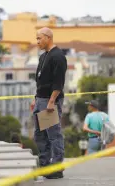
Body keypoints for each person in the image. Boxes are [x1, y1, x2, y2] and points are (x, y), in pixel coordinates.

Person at [30, 27, 67, 179]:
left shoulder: (58, 56)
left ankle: (57, 168)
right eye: (37, 38)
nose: (37, 41)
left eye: (39, 38)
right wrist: (36, 99)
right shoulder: (43, 56)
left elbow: (58, 82)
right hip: (40, 100)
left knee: (53, 135)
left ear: (48, 37)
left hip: (49, 101)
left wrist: (51, 101)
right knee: (40, 135)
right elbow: (41, 81)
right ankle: (45, 165)